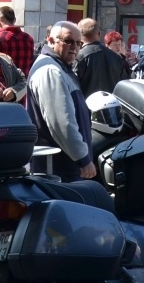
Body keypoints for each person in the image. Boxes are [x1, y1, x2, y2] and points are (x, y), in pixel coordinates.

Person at [28, 22, 96, 180]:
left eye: (79, 43)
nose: (75, 47)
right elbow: (62, 123)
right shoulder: (50, 70)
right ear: (50, 41)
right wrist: (83, 159)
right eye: (68, 41)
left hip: (63, 163)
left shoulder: (60, 68)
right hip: (58, 167)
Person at [75, 17, 129, 97]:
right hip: (111, 106)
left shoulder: (79, 57)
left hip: (85, 106)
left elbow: (72, 86)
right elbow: (123, 85)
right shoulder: (117, 58)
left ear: (79, 35)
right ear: (99, 34)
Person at [0, 6, 36, 76]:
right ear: (14, 20)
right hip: (24, 83)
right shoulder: (28, 38)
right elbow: (31, 61)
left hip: (5, 84)